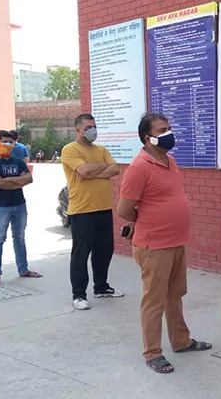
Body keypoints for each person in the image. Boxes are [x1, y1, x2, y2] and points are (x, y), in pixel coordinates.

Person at [118, 113, 212, 374]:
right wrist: (147, 220)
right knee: (154, 300)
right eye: (162, 129)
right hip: (153, 245)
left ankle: (180, 341)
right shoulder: (138, 167)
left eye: (169, 127)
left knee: (175, 295)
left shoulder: (170, 161)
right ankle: (152, 353)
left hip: (176, 241)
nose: (169, 133)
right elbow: (124, 210)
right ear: (147, 138)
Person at [61, 113, 123, 310]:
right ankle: (78, 294)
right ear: (77, 130)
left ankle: (101, 287)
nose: (92, 130)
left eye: (94, 126)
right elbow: (84, 171)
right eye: (88, 127)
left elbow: (115, 170)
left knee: (104, 250)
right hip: (82, 210)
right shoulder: (70, 150)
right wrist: (98, 169)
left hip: (103, 207)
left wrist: (92, 171)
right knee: (81, 253)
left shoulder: (101, 149)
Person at [0, 130, 43, 287]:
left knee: (19, 238)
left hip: (19, 204)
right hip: (1, 206)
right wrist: (18, 181)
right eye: (4, 141)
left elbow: (29, 179)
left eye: (11, 142)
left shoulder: (18, 162)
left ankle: (23, 269)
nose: (8, 145)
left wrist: (8, 180)